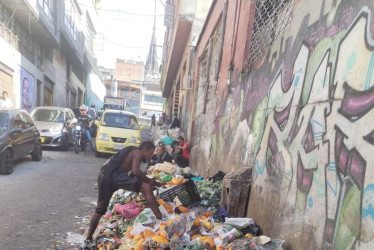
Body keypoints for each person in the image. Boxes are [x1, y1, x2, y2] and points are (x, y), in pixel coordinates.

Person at [83, 141, 164, 248]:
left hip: (106, 176)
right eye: (150, 153)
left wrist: (152, 182)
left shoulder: (132, 152)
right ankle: (160, 218)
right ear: (144, 149)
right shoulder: (137, 152)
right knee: (146, 187)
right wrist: (149, 181)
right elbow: (135, 171)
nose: (150, 157)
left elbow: (133, 177)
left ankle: (88, 239)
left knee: (100, 210)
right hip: (111, 175)